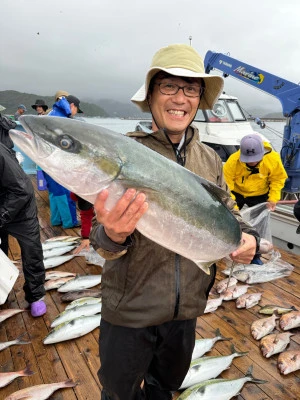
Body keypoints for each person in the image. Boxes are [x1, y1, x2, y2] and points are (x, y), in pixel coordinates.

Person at [89, 43, 259, 400]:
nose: (180, 98)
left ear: (199, 99)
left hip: (186, 312)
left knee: (164, 388)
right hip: (130, 311)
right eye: (168, 86)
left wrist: (245, 235)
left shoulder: (210, 158)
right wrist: (114, 236)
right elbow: (98, 240)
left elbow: (228, 209)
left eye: (191, 88)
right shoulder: (124, 152)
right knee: (119, 393)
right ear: (151, 95)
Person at [0, 143, 46, 317]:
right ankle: (2, 289)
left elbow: (22, 189)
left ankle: (36, 296)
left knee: (31, 251)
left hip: (21, 209)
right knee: (1, 251)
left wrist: (1, 216)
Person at [43, 94, 83, 228]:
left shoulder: (53, 114)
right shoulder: (62, 118)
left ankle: (56, 220)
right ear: (72, 106)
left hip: (47, 162)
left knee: (54, 192)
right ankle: (69, 222)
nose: (76, 113)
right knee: (65, 193)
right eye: (77, 109)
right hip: (58, 164)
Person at [223, 133, 288, 211]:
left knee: (259, 220)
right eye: (248, 159)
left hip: (260, 194)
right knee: (231, 213)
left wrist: (273, 198)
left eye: (255, 158)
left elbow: (278, 179)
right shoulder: (233, 161)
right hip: (237, 193)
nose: (252, 162)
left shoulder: (273, 159)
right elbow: (226, 185)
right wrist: (233, 208)